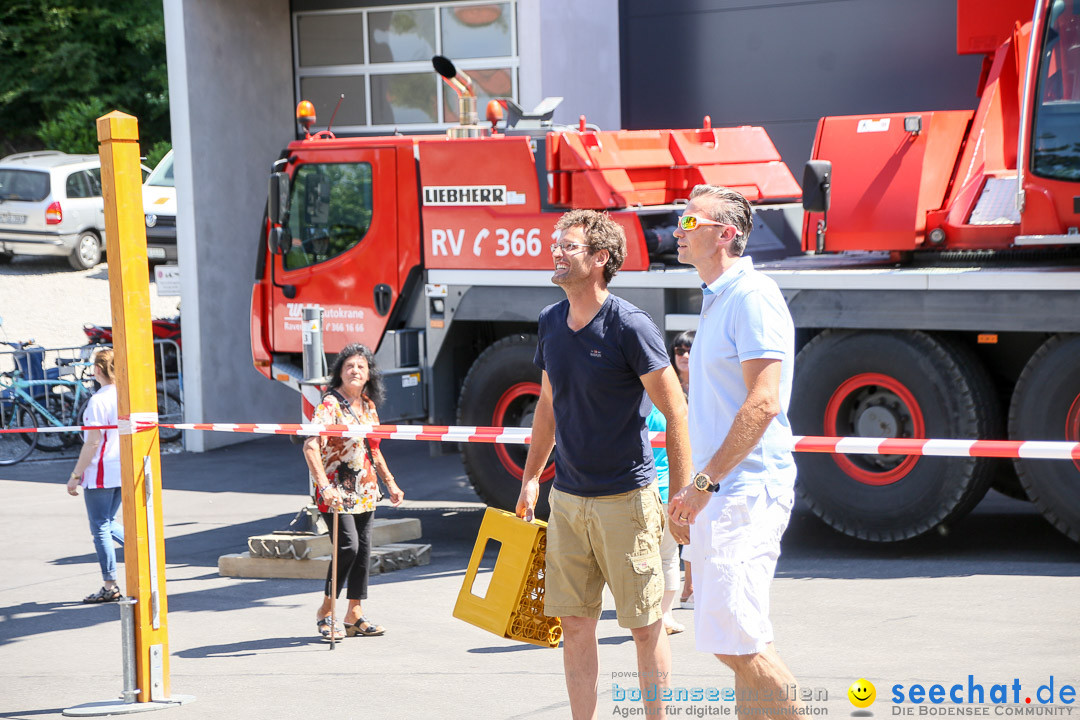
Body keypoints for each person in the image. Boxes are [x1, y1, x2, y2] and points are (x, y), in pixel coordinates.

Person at [516, 209, 691, 720]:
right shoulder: (550, 321)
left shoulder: (629, 326)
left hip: (626, 501)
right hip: (568, 500)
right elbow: (547, 406)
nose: (556, 251)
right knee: (574, 625)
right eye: (558, 242)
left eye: (569, 246)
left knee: (644, 625)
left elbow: (675, 411)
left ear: (600, 259)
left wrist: (678, 495)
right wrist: (531, 479)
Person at [667, 185, 802, 715]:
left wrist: (702, 486)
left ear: (726, 234)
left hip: (744, 491)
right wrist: (694, 488)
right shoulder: (720, 296)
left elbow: (763, 403)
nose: (678, 230)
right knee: (744, 638)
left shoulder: (751, 295)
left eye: (689, 222)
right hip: (726, 490)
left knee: (734, 641)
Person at [303, 343, 404, 641]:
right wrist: (323, 486)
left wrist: (391, 483)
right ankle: (326, 611)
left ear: (369, 373)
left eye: (360, 366)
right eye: (349, 366)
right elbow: (311, 445)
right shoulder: (330, 405)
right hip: (335, 490)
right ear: (340, 373)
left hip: (366, 490)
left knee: (363, 552)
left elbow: (374, 450)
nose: (355, 371)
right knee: (348, 547)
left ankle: (354, 614)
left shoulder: (369, 406)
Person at [644, 331, 695, 633]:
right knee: (669, 557)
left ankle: (651, 614)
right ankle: (666, 616)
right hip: (672, 490)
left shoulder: (645, 410)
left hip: (645, 491)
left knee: (647, 558)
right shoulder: (680, 410)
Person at [66, 348, 124, 603]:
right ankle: (146, 550)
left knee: (100, 526)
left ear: (97, 370)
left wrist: (75, 474)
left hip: (101, 468)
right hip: (123, 466)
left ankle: (109, 584)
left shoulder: (98, 400)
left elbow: (92, 443)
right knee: (108, 521)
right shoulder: (126, 396)